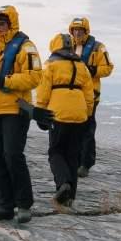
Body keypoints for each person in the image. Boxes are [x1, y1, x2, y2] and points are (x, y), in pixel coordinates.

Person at [0, 5, 43, 223]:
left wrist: (4, 81)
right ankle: (4, 204)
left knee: (13, 156)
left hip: (15, 108)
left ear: (11, 23)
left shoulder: (27, 47)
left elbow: (34, 78)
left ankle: (24, 204)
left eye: (2, 23)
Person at [36, 33, 95, 208]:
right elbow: (89, 94)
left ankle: (63, 184)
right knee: (72, 155)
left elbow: (43, 91)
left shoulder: (50, 65)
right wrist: (88, 114)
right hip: (79, 114)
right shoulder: (81, 66)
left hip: (58, 113)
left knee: (56, 151)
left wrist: (40, 113)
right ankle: (70, 197)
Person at [68, 17, 114, 177]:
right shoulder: (67, 46)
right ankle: (73, 159)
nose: (77, 32)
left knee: (87, 128)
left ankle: (86, 163)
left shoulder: (98, 48)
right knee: (71, 128)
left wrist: (93, 71)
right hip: (70, 95)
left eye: (80, 30)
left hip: (90, 95)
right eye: (75, 30)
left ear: (86, 31)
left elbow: (108, 68)